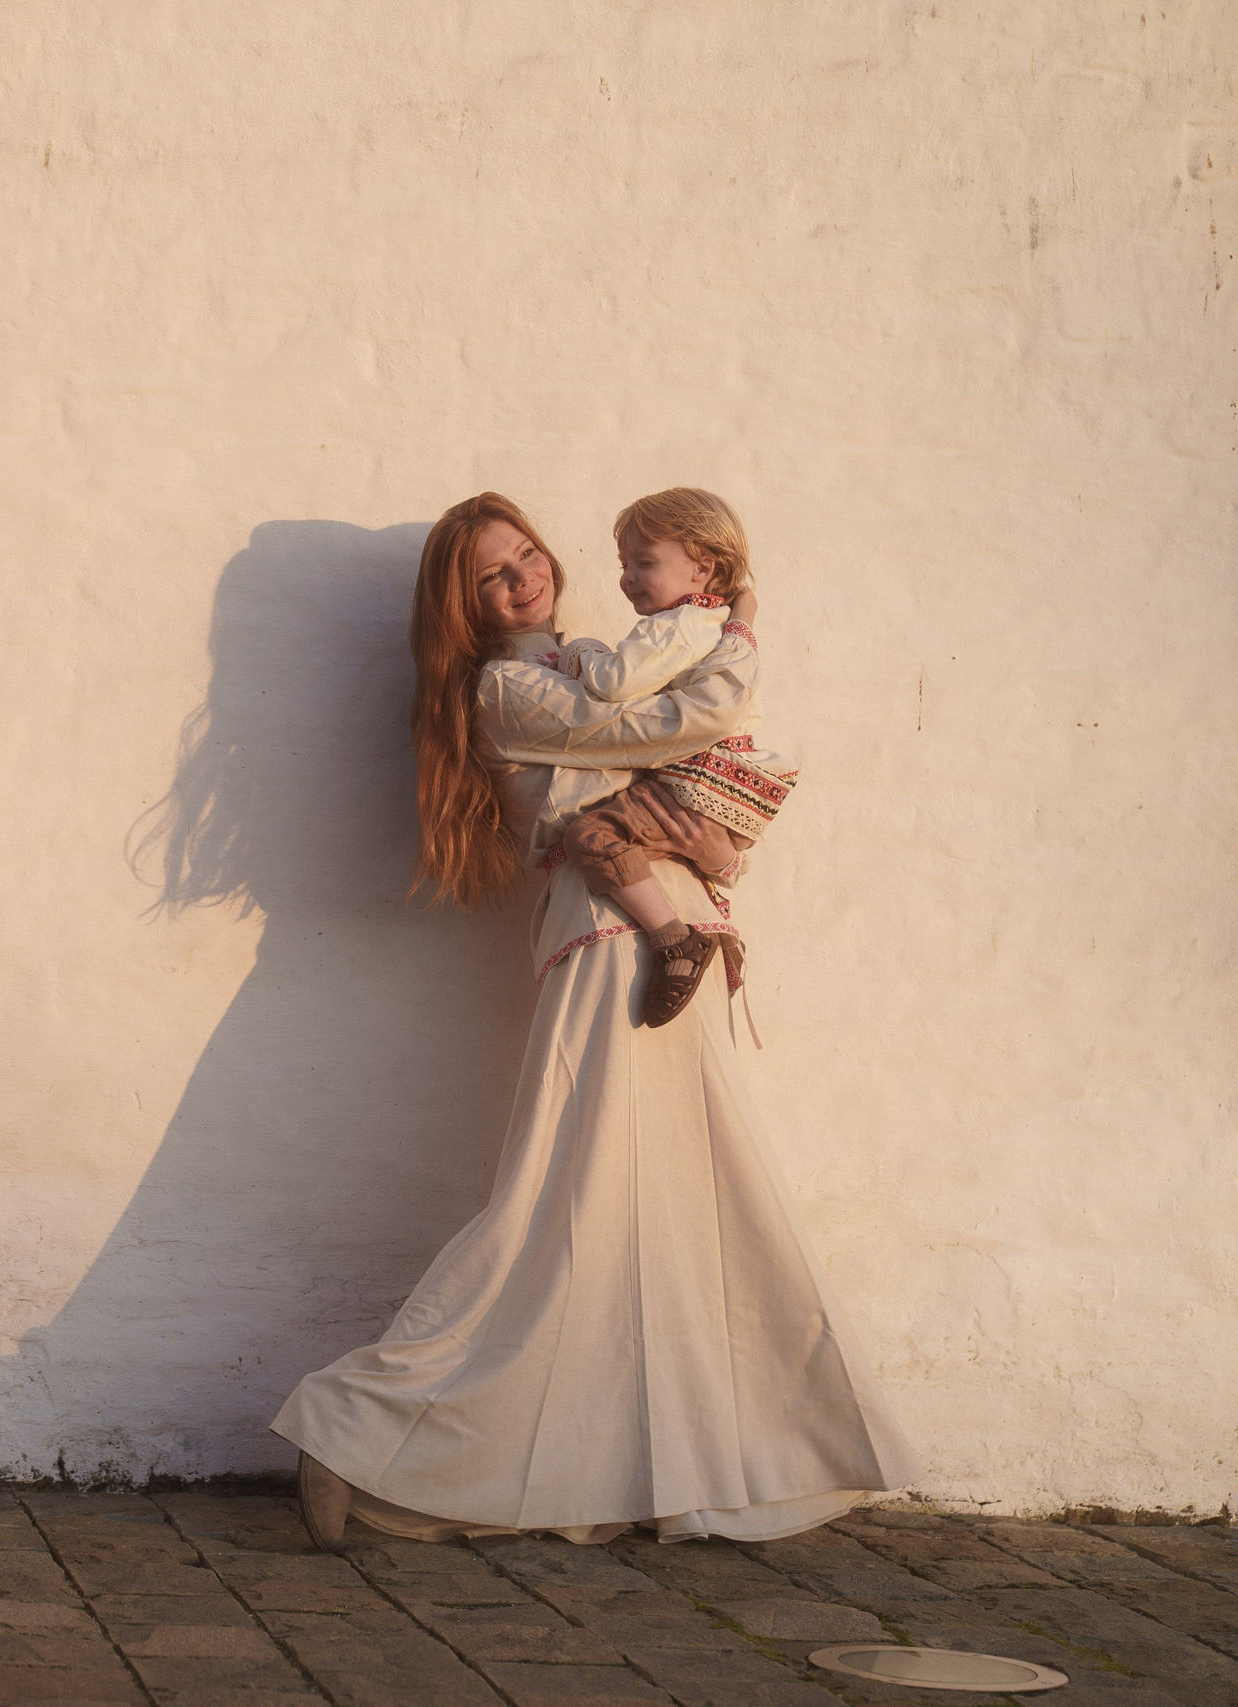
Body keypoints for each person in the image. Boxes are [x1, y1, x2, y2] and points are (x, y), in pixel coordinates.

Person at [271, 491, 914, 1546]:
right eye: (491, 573)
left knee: (655, 1214)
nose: (523, 574)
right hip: (613, 947)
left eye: (525, 553)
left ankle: (633, 1466)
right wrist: (735, 636)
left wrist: (714, 845)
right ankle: (352, 1426)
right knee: (555, 1210)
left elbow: (701, 804)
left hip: (680, 937)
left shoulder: (593, 656)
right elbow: (682, 729)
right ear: (465, 607)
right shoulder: (511, 684)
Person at [546, 488, 799, 1026]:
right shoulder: (721, 626)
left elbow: (615, 683)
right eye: (624, 564)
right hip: (739, 787)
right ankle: (710, 934)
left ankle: (675, 942)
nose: (628, 576)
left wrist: (581, 650)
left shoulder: (677, 625)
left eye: (644, 562)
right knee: (671, 848)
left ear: (701, 569)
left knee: (591, 837)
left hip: (700, 780)